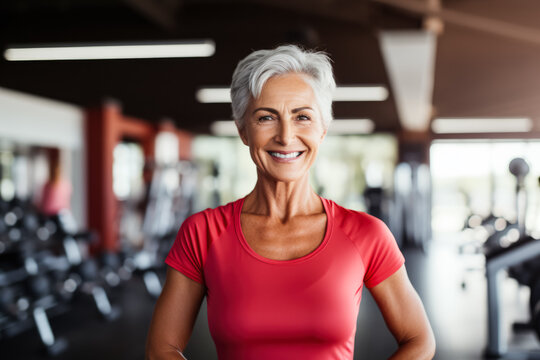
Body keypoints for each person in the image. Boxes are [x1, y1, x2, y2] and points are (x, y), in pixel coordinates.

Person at [146, 45, 435, 360]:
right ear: (243, 130)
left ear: (322, 129)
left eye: (302, 117)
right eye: (266, 117)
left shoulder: (366, 234)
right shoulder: (202, 232)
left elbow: (419, 340)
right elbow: (162, 348)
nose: (286, 136)